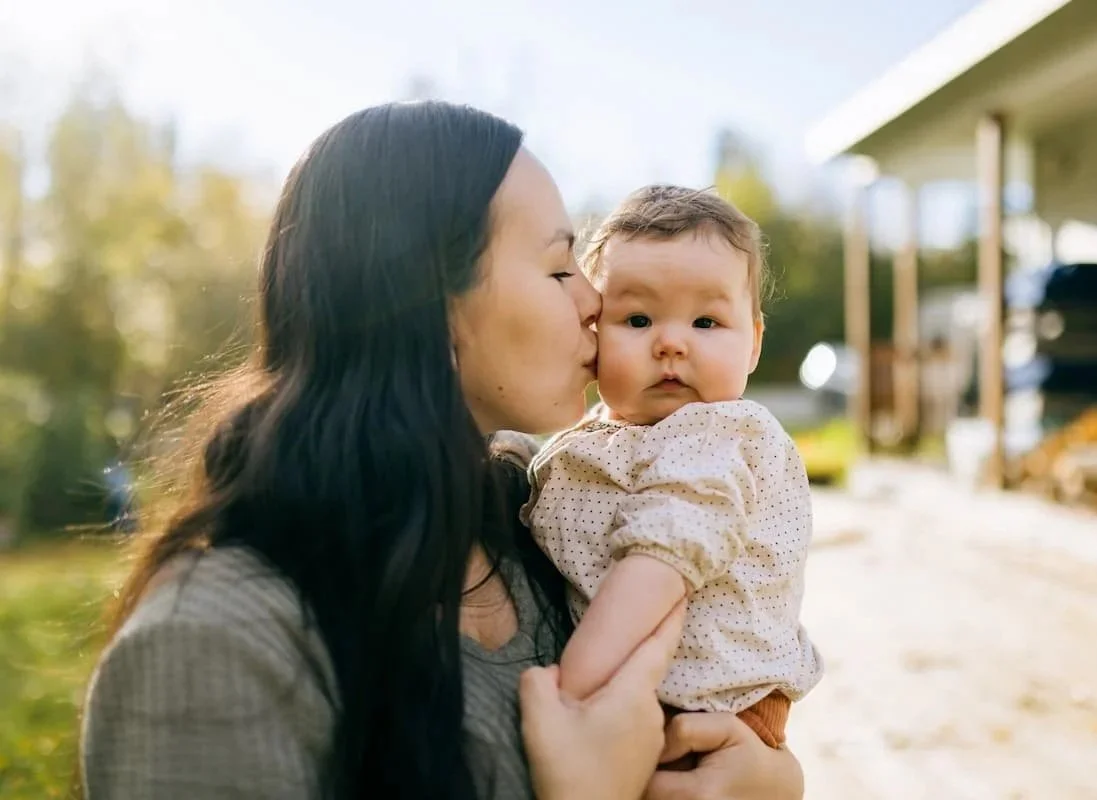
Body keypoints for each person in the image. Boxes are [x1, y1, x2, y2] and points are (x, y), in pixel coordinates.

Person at [79, 101, 805, 799]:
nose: (596, 304)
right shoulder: (214, 645)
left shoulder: (531, 519)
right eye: (560, 270)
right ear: (426, 305)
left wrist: (773, 780)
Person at [523, 186, 823, 748]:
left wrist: (574, 689)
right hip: (660, 695)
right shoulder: (605, 438)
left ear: (754, 343)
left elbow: (663, 558)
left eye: (705, 323)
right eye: (637, 318)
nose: (670, 344)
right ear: (593, 334)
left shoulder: (720, 433)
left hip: (710, 706)